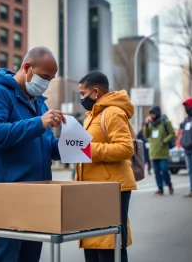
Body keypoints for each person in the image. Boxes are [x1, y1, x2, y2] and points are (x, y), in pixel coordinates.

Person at [0, 46, 65, 262]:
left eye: (51, 79)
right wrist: (38, 123)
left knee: (29, 258)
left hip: (35, 196)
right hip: (5, 196)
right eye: (45, 77)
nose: (46, 84)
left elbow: (45, 145)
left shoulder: (39, 103)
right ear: (27, 68)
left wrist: (71, 146)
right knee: (4, 257)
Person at [77, 72, 136, 262]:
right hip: (92, 187)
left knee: (109, 247)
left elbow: (126, 148)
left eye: (82, 93)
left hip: (111, 188)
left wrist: (88, 150)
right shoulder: (90, 117)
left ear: (95, 92)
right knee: (93, 244)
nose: (80, 98)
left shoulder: (113, 112)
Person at [144, 106, 175, 195]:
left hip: (163, 151)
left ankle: (169, 184)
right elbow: (146, 135)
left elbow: (172, 134)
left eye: (153, 113)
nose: (151, 115)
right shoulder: (151, 124)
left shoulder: (165, 122)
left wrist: (165, 141)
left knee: (164, 169)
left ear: (157, 113)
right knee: (157, 172)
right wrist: (146, 124)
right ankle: (160, 188)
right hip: (153, 152)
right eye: (150, 114)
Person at [180, 98, 192, 199]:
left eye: (187, 106)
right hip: (187, 149)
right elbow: (183, 133)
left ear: (191, 106)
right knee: (190, 170)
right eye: (185, 106)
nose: (185, 108)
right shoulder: (186, 119)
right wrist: (182, 142)